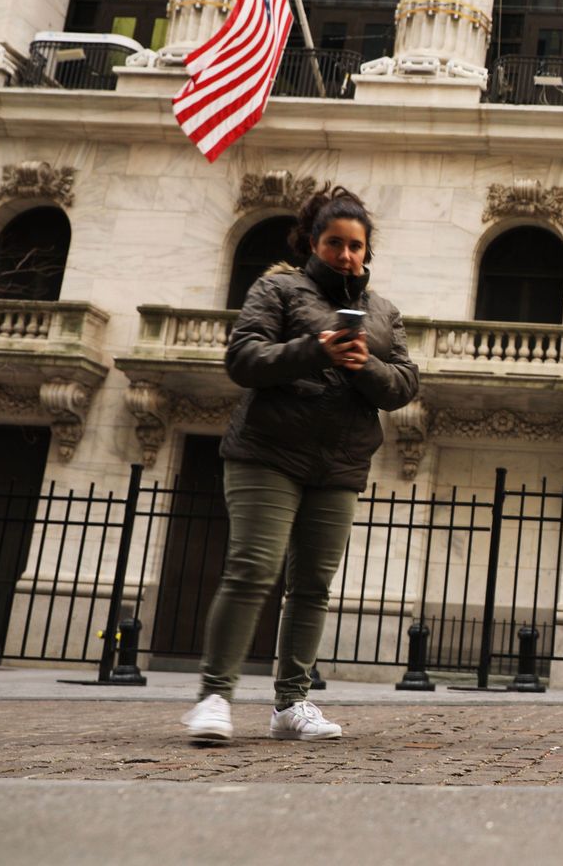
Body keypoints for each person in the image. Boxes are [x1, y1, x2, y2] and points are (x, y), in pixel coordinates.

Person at [181, 187, 420, 744]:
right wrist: (317, 349)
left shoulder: (383, 312)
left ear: (367, 251)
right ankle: (215, 696)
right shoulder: (279, 288)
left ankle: (291, 703)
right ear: (314, 242)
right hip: (269, 451)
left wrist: (364, 365)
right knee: (253, 568)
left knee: (313, 584)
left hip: (340, 462)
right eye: (334, 243)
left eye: (355, 246)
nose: (345, 255)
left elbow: (405, 384)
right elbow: (244, 359)